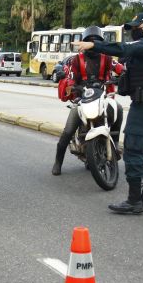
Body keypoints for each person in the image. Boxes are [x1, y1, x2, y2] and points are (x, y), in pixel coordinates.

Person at [73, 13, 143, 214]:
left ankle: (134, 201)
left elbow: (124, 49)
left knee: (134, 149)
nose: (133, 31)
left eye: (136, 27)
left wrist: (94, 45)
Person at [52, 26, 124, 176]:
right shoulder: (76, 59)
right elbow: (71, 77)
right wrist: (72, 85)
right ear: (84, 42)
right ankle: (58, 162)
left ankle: (115, 143)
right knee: (68, 130)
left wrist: (124, 73)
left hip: (103, 97)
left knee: (118, 108)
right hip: (82, 98)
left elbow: (119, 68)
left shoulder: (107, 58)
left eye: (96, 41)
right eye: (90, 40)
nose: (93, 43)